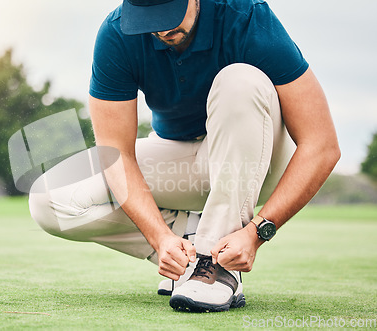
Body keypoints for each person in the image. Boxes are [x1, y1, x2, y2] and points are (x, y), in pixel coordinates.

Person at [28, 0, 340, 313]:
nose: (162, 29)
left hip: (258, 160)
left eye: (169, 14)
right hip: (178, 158)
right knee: (48, 202)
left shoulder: (246, 16)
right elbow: (117, 155)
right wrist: (160, 238)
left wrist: (257, 232)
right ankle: (192, 251)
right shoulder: (117, 32)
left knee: (241, 80)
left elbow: (322, 144)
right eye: (149, 18)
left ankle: (216, 265)